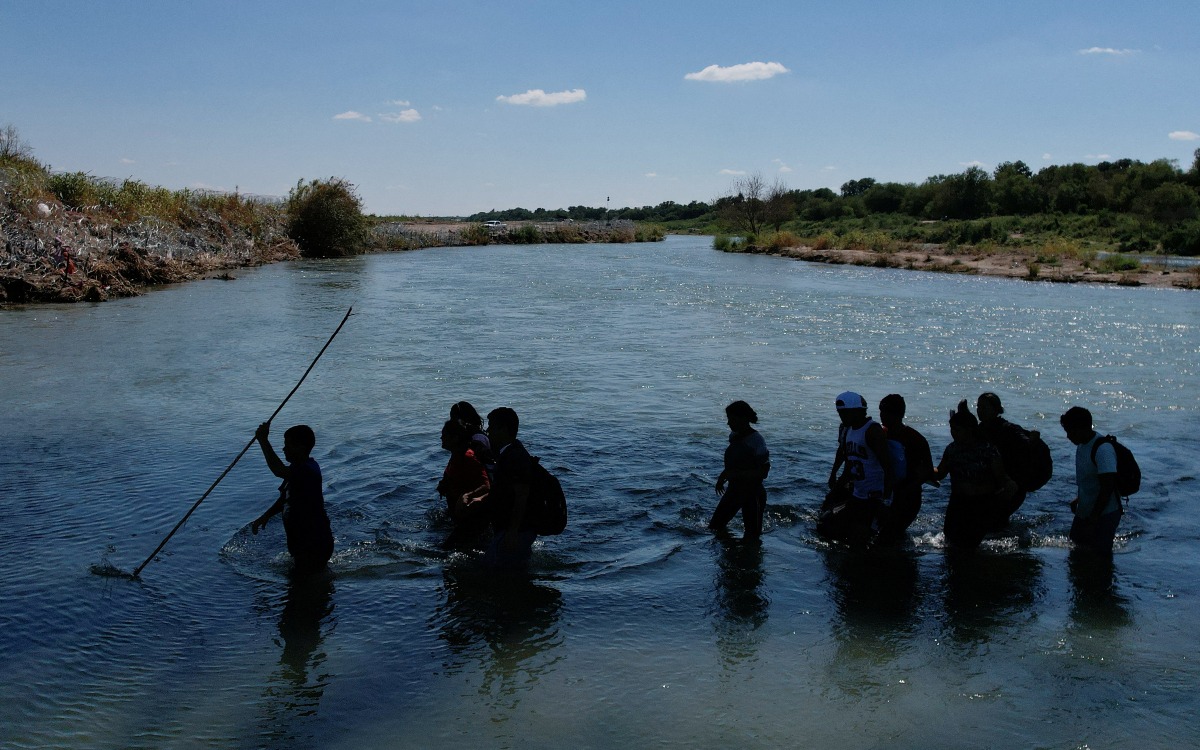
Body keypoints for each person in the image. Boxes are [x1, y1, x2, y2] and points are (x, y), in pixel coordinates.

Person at [250, 422, 334, 575]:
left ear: (300, 447)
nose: (283, 449)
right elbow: (287, 498)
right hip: (304, 542)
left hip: (313, 543)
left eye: (288, 445)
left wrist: (263, 440)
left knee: (303, 587)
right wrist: (266, 515)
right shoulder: (297, 469)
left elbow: (278, 470)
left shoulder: (307, 470)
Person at [931, 405, 1017, 553]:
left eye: (957, 430)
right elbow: (940, 473)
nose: (953, 433)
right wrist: (925, 469)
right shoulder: (952, 449)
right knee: (950, 542)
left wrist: (1008, 490)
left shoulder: (988, 450)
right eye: (951, 429)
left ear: (970, 430)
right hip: (958, 501)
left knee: (969, 546)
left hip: (981, 503)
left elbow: (1000, 478)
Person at [818, 391, 894, 546]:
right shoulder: (848, 431)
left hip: (873, 497)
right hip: (858, 495)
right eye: (840, 413)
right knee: (826, 525)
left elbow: (888, 468)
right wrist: (835, 488)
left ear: (858, 411)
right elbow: (849, 466)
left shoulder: (872, 431)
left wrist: (885, 501)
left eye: (845, 413)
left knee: (858, 540)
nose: (842, 417)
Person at [1060, 406, 1122, 553]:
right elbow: (1090, 481)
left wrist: (1094, 518)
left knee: (1099, 560)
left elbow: (1107, 487)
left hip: (1104, 514)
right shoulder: (1082, 446)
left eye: (1070, 431)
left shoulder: (1103, 449)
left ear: (1082, 428)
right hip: (1085, 511)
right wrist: (1079, 499)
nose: (1068, 436)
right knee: (1075, 555)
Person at [483, 407, 538, 570]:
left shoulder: (515, 457)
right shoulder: (509, 452)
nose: (487, 431)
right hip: (514, 529)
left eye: (491, 427)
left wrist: (512, 531)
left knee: (492, 571)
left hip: (515, 530)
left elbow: (522, 495)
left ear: (504, 430)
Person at [875, 394, 934, 544]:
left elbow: (927, 470)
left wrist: (909, 487)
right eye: (881, 411)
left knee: (890, 533)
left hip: (907, 495)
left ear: (898, 414)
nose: (882, 416)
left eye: (886, 412)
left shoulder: (914, 439)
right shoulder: (879, 434)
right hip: (885, 490)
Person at [709, 401, 771, 539]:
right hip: (734, 491)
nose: (728, 423)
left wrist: (737, 474)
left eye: (731, 419)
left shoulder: (756, 440)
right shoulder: (734, 436)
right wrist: (722, 477)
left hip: (752, 493)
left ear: (743, 419)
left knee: (752, 536)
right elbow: (735, 463)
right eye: (728, 419)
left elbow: (764, 472)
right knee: (714, 528)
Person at [436, 418, 491, 549]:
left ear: (455, 438)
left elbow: (486, 486)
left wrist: (466, 495)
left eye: (444, 435)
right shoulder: (456, 455)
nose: (441, 438)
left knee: (446, 549)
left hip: (471, 516)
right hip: (459, 514)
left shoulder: (468, 457)